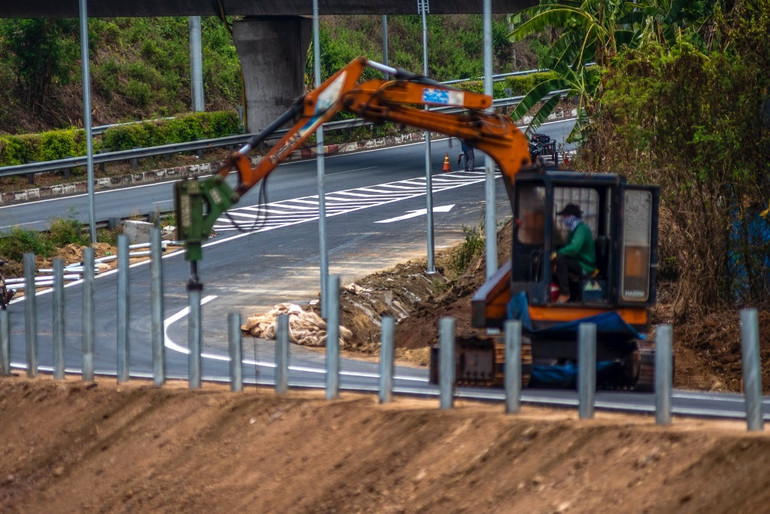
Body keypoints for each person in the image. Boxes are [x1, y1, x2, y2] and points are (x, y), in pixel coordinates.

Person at [551, 203, 596, 303]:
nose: (563, 218)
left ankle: (565, 293)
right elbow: (567, 247)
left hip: (585, 266)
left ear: (572, 217)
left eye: (565, 216)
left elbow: (574, 249)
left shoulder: (581, 230)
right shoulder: (572, 231)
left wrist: (557, 254)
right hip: (577, 262)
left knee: (561, 260)